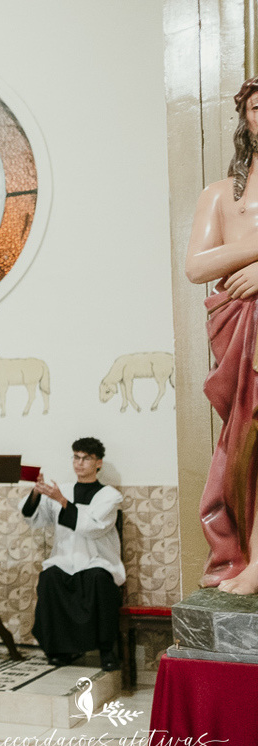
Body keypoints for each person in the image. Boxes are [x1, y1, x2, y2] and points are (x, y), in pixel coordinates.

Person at [185, 75, 258, 595]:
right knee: (245, 446)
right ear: (245, 119)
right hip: (241, 329)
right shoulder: (219, 194)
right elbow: (197, 266)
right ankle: (250, 554)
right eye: (257, 108)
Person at [19, 437, 124, 669]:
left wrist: (61, 501)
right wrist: (36, 493)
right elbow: (34, 518)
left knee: (97, 580)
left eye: (86, 458)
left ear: (99, 463)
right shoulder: (63, 490)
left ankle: (106, 651)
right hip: (65, 558)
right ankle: (59, 650)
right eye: (76, 457)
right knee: (50, 579)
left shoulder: (109, 495)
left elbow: (92, 527)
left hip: (98, 559)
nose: (79, 463)